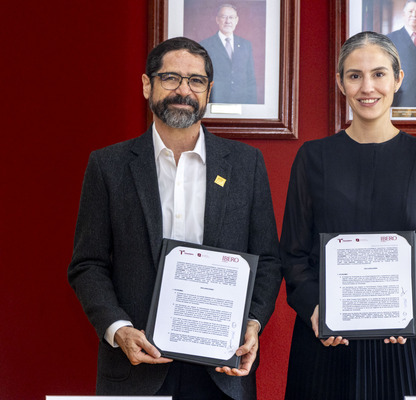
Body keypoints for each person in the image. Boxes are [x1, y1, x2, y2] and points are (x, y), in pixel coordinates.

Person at [68, 37, 281, 400]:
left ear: (209, 91)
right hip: (136, 368)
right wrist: (118, 329)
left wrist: (253, 322)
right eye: (171, 78)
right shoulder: (108, 166)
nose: (184, 91)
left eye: (196, 81)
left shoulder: (246, 165)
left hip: (222, 372)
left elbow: (268, 261)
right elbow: (88, 264)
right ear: (147, 85)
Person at [280, 31, 416, 399]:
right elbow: (292, 255)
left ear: (398, 79)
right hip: (326, 343)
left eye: (378, 74)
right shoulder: (312, 158)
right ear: (340, 83)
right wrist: (315, 308)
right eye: (355, 75)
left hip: (406, 343)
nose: (367, 87)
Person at [200, 4, 258, 104]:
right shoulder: (205, 45)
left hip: (241, 103)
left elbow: (250, 78)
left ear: (236, 20)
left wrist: (252, 106)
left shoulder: (245, 45)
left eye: (231, 17)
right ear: (217, 20)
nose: (228, 21)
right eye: (224, 17)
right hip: (214, 103)